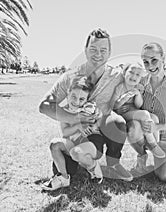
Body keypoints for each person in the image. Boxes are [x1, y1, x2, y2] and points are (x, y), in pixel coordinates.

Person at [39, 28, 133, 183]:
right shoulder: (70, 77)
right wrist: (75, 118)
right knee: (67, 171)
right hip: (75, 133)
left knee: (118, 123)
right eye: (93, 49)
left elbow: (140, 81)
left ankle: (114, 163)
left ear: (110, 52)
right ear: (85, 50)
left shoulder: (117, 75)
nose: (98, 54)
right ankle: (81, 161)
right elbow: (44, 105)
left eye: (103, 50)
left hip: (100, 128)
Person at [122, 42, 166, 181]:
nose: (150, 66)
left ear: (162, 57)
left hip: (165, 136)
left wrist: (157, 127)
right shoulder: (140, 82)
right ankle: (142, 156)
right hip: (144, 132)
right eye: (146, 62)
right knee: (133, 126)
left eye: (154, 60)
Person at [42, 77, 103, 190]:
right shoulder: (63, 111)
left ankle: (93, 166)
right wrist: (78, 126)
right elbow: (65, 133)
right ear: (68, 93)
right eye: (73, 97)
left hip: (91, 142)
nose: (76, 102)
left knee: (76, 152)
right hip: (74, 143)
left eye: (81, 99)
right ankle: (64, 178)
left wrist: (94, 125)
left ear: (86, 100)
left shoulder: (89, 109)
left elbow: (99, 119)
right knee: (54, 144)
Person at [111, 62, 166, 158]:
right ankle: (152, 143)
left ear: (140, 78)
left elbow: (138, 104)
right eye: (131, 72)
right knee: (145, 114)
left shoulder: (138, 88)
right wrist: (123, 99)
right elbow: (114, 106)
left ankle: (156, 142)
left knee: (154, 118)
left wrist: (137, 94)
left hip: (135, 112)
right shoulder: (120, 87)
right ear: (124, 73)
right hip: (124, 114)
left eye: (137, 75)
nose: (134, 76)